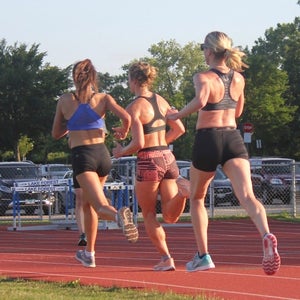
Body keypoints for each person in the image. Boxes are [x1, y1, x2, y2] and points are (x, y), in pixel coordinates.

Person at [167, 31, 280, 275]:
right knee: (248, 196)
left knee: (197, 198)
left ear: (209, 51)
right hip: (232, 138)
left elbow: (200, 101)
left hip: (208, 138)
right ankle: (266, 233)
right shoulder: (239, 78)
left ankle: (203, 255)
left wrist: (176, 115)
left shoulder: (203, 77)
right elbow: (238, 111)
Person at [52, 58, 138, 268]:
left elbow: (56, 134)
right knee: (90, 205)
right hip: (102, 154)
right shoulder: (104, 98)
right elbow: (127, 117)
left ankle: (119, 217)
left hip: (83, 156)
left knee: (99, 205)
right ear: (93, 78)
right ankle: (89, 253)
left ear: (74, 77)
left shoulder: (64, 100)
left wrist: (72, 124)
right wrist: (124, 131)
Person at [113, 61, 190, 271]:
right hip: (167, 156)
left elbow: (138, 143)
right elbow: (180, 129)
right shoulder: (161, 100)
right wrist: (161, 142)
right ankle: (183, 194)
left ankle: (166, 258)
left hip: (148, 160)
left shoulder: (134, 107)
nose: (128, 84)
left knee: (148, 214)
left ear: (135, 80)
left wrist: (121, 152)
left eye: (129, 79)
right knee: (170, 216)